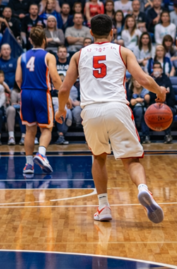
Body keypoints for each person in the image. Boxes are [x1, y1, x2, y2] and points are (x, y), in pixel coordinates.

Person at [57, 14, 166, 224]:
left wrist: (62, 109)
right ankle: (144, 190)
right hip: (117, 108)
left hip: (90, 111)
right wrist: (158, 90)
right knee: (131, 160)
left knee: (98, 157)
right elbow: (142, 79)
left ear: (90, 33)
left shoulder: (78, 55)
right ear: (112, 32)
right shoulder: (122, 51)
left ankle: (104, 207)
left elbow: (64, 89)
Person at [16, 27, 64, 175]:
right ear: (44, 40)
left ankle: (29, 165)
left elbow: (18, 79)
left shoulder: (22, 57)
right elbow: (55, 79)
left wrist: (27, 88)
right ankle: (41, 153)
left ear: (30, 40)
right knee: (47, 128)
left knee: (30, 130)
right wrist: (64, 96)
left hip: (25, 92)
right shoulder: (48, 56)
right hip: (41, 93)